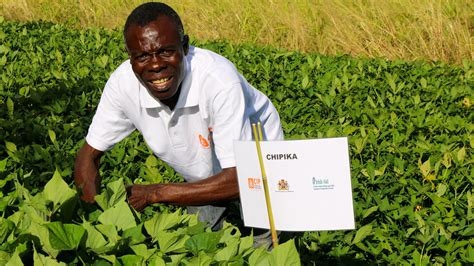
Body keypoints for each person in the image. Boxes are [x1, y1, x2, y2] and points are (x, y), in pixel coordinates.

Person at [73, 2, 283, 232]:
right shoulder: (122, 85)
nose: (155, 65)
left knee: (267, 242)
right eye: (142, 56)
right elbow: (88, 155)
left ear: (185, 46)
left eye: (165, 51)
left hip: (255, 165)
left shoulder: (218, 82)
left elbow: (240, 178)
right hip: (200, 172)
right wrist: (96, 220)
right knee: (202, 243)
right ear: (130, 58)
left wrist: (155, 193)